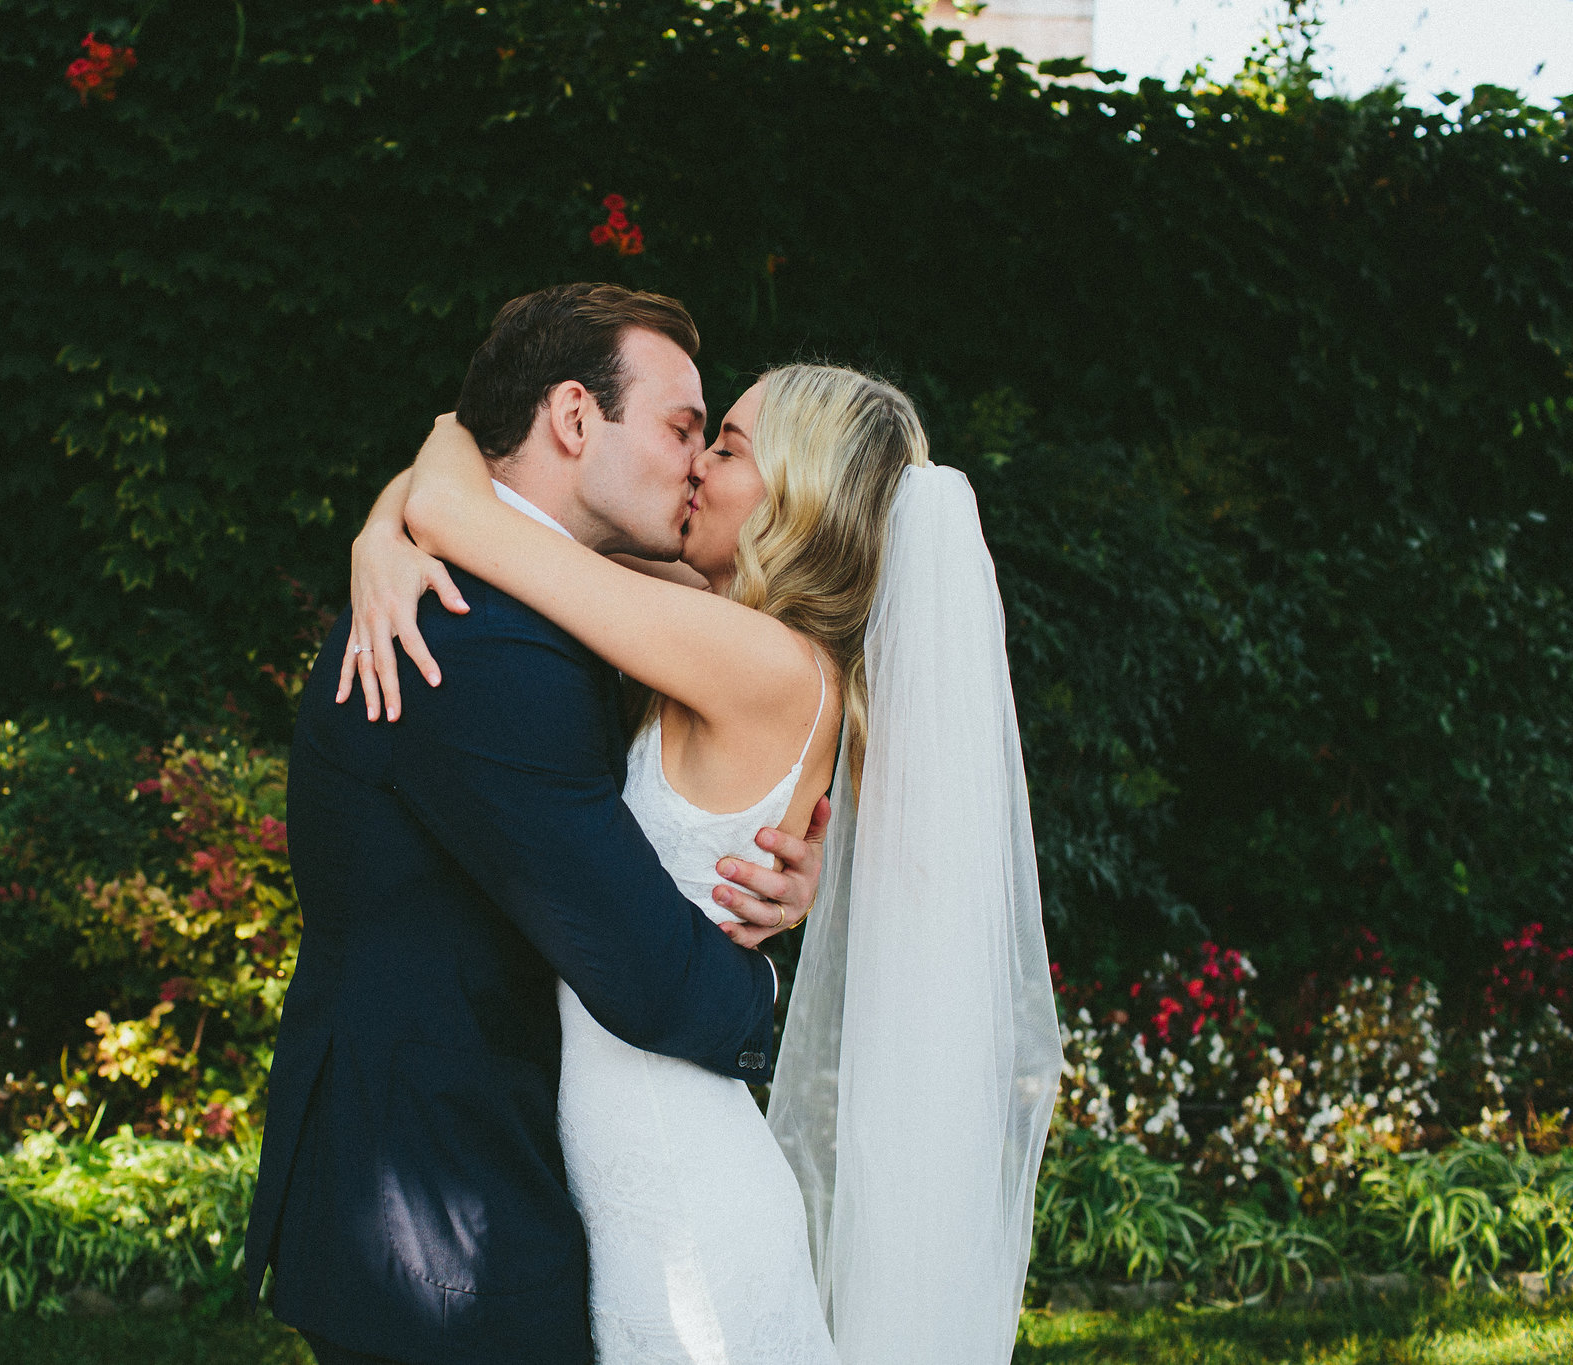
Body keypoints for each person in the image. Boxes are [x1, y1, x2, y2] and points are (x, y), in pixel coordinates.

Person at [345, 301, 1064, 1361]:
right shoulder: (728, 627)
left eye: (724, 447)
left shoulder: (760, 664)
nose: (694, 469)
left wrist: (393, 529)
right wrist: (381, 531)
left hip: (677, 1207)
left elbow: (467, 511)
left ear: (795, 496)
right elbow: (487, 483)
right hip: (639, 1178)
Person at [243, 284, 831, 1365]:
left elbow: (447, 457)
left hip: (486, 1169)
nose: (697, 463)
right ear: (571, 418)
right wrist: (764, 983)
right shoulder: (478, 639)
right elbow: (645, 974)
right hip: (445, 1209)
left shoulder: (534, 597)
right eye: (681, 427)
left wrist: (392, 516)